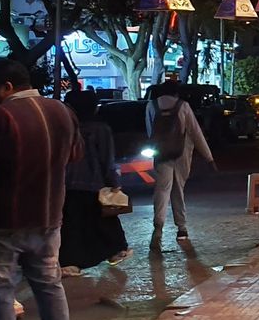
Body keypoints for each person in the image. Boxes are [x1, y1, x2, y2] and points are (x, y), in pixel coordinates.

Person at [0, 59, 81, 320]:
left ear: (7, 87)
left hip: (5, 221)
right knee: (50, 287)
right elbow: (73, 157)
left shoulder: (0, 117)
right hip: (50, 216)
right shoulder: (62, 111)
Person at [59, 91, 130, 274]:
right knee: (102, 220)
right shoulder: (100, 129)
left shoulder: (63, 127)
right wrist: (114, 182)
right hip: (92, 183)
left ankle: (70, 263)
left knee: (72, 225)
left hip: (65, 184)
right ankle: (114, 252)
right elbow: (107, 159)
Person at [145, 80, 216, 251]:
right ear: (176, 92)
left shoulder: (151, 106)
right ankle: (181, 228)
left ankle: (158, 226)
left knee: (162, 189)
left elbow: (149, 131)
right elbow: (195, 132)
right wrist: (209, 158)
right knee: (178, 190)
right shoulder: (183, 106)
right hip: (182, 154)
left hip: (160, 154)